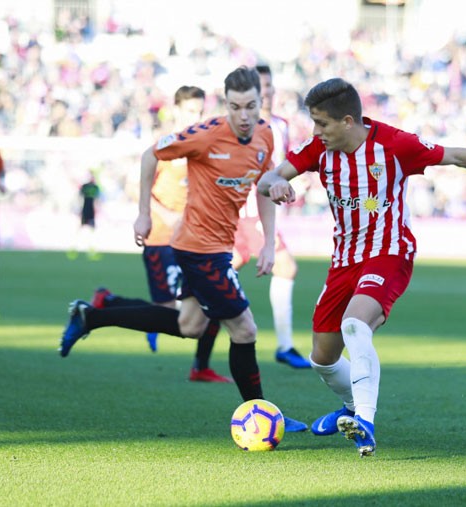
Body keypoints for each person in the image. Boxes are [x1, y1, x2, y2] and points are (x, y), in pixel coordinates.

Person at [257, 77, 466, 456]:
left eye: (322, 124)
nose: (316, 132)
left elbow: (458, 156)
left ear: (348, 121)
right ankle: (350, 408)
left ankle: (365, 420)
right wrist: (276, 185)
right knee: (322, 358)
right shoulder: (317, 150)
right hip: (343, 261)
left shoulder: (396, 145)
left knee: (355, 325)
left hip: (389, 253)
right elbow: (269, 178)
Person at [59, 66, 307, 432]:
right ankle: (264, 415)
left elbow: (264, 183)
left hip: (219, 246)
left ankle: (91, 316)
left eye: (250, 106)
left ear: (260, 103)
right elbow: (150, 155)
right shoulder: (205, 135)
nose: (243, 116)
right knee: (245, 329)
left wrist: (269, 240)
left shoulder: (266, 136)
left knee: (189, 325)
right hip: (198, 248)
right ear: (226, 104)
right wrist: (144, 213)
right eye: (235, 107)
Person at [92, 85, 230, 383]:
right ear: (177, 110)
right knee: (168, 312)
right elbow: (134, 185)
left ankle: (201, 366)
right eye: (191, 110)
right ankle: (109, 303)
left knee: (215, 301)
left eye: (201, 110)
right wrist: (162, 214)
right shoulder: (166, 146)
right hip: (163, 238)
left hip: (195, 240)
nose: (197, 116)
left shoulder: (203, 144)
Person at [231, 64, 310, 369]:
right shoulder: (246, 126)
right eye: (261, 86)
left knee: (218, 276)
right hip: (250, 213)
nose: (267, 91)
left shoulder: (281, 124)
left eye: (269, 85)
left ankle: (174, 312)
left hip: (260, 211)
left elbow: (281, 167)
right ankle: (285, 345)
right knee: (285, 268)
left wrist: (293, 183)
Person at [68, 172, 101, 260]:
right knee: (80, 229)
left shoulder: (95, 187)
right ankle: (74, 248)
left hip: (91, 211)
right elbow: (79, 198)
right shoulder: (85, 186)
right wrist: (79, 209)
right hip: (85, 210)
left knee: (91, 231)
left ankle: (91, 250)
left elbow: (97, 200)